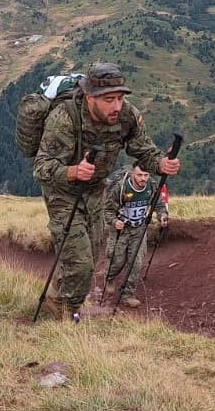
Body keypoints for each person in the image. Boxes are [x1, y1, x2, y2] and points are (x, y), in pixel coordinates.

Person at [32, 63, 179, 321]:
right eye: (108, 99)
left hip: (96, 190)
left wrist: (160, 163)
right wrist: (72, 172)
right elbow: (41, 167)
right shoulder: (65, 118)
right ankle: (67, 315)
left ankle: (56, 297)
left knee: (87, 253)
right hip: (62, 192)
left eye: (120, 98)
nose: (116, 106)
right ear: (90, 97)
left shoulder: (126, 117)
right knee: (82, 263)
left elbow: (143, 150)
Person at [99, 164, 152, 308]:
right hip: (121, 231)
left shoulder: (151, 186)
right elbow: (108, 210)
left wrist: (163, 215)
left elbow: (157, 203)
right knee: (118, 260)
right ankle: (109, 277)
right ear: (132, 174)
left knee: (136, 262)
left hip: (139, 229)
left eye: (146, 175)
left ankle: (128, 294)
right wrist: (114, 221)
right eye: (140, 175)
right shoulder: (121, 188)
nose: (143, 179)